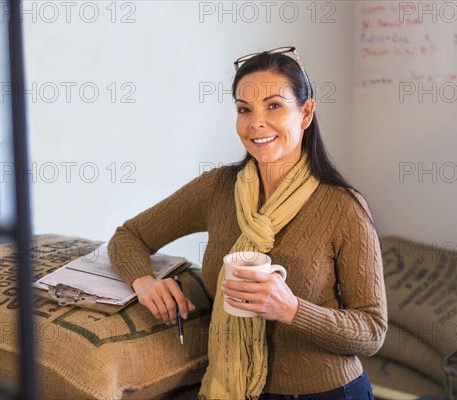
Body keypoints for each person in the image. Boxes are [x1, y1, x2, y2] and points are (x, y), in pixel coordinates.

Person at [108, 46, 387, 400]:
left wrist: (291, 309)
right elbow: (128, 236)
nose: (256, 123)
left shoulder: (344, 208)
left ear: (305, 114)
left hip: (329, 392)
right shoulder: (217, 188)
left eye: (274, 106)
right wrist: (145, 282)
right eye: (244, 109)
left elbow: (373, 330)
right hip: (234, 389)